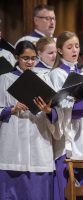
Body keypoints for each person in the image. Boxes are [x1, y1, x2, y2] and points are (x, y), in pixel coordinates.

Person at [48, 31, 83, 200]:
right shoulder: (56, 74)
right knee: (69, 187)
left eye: (77, 46)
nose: (75, 50)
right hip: (68, 135)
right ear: (59, 50)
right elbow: (59, 106)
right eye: (69, 47)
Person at [0, 40, 56, 200]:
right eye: (26, 58)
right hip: (13, 144)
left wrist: (47, 110)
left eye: (33, 58)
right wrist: (12, 108)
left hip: (39, 140)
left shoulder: (44, 78)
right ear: (17, 57)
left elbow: (55, 111)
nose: (30, 62)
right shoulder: (4, 79)